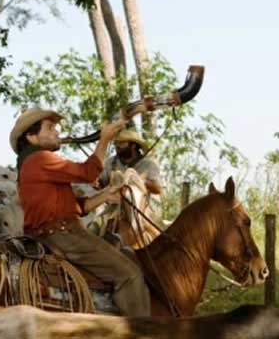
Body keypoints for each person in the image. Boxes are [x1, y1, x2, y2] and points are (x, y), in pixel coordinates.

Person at [9, 108, 151, 316]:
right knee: (130, 275)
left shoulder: (31, 164)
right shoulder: (40, 159)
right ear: (31, 137)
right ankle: (143, 334)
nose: (57, 132)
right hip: (65, 235)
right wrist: (104, 141)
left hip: (57, 232)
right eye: (50, 128)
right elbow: (88, 172)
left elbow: (78, 208)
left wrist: (106, 194)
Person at [98, 129, 163, 196]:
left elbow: (158, 189)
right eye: (116, 143)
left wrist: (139, 180)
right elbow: (100, 184)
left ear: (133, 145)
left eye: (122, 142)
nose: (117, 146)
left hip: (140, 205)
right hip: (113, 203)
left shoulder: (148, 164)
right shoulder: (109, 163)